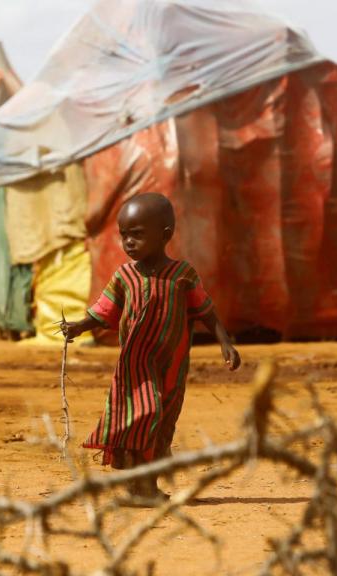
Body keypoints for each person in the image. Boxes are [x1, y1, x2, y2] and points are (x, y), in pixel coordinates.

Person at [62, 193, 241, 502]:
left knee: (161, 422)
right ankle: (139, 486)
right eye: (124, 235)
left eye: (138, 234)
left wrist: (225, 342)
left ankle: (144, 487)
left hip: (171, 367)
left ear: (166, 234)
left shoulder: (182, 275)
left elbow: (205, 310)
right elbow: (103, 310)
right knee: (143, 415)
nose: (129, 242)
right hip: (134, 367)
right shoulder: (125, 276)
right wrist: (79, 326)